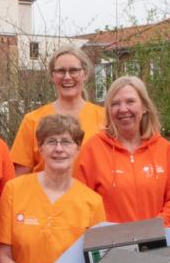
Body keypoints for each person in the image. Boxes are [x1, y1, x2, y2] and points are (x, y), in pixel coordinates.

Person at [0, 115, 105, 263]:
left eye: (66, 142)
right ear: (40, 147)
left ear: (77, 147)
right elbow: (2, 255)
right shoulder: (14, 189)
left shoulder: (92, 202)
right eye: (51, 141)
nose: (59, 149)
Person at [74, 76, 170, 226]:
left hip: (157, 241)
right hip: (111, 243)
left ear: (144, 107)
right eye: (115, 103)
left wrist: (158, 227)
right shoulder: (93, 149)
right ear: (109, 110)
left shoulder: (164, 148)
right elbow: (80, 203)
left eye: (130, 101)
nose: (123, 109)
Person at [9, 46, 107, 174]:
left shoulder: (105, 118)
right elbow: (19, 177)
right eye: (61, 71)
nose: (67, 77)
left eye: (73, 70)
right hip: (44, 193)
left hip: (91, 193)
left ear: (85, 74)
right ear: (52, 76)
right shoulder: (33, 120)